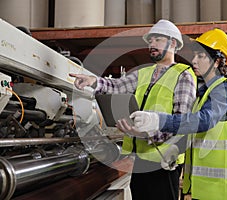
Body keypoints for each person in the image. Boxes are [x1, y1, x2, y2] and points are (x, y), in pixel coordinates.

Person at [69, 19, 197, 200]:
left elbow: (179, 122)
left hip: (164, 162)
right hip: (140, 160)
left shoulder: (183, 75)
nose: (152, 45)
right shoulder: (144, 72)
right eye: (150, 41)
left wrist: (146, 133)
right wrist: (93, 81)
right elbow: (117, 86)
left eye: (158, 40)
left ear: (173, 43)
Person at [117, 28, 227, 200]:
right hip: (205, 188)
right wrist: (174, 149)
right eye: (194, 56)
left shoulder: (225, 88)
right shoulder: (202, 95)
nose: (193, 61)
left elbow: (204, 121)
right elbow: (193, 132)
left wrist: (158, 120)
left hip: (223, 190)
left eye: (200, 56)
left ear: (217, 61)